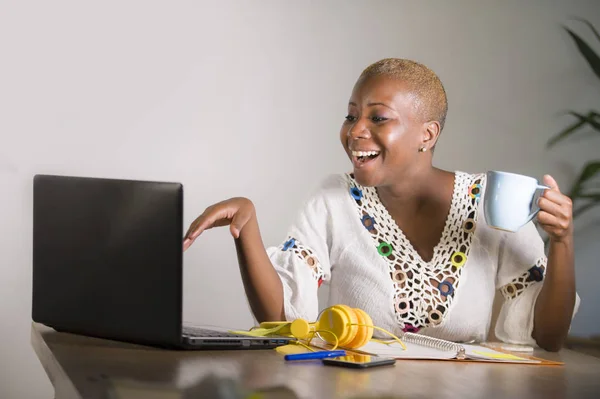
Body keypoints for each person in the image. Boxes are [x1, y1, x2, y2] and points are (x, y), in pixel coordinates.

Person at [183, 58, 578, 352]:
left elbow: (550, 336)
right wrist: (246, 229)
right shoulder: (334, 198)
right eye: (351, 115)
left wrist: (562, 241)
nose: (355, 131)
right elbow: (281, 322)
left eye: (378, 118)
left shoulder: (491, 202)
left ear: (427, 133)